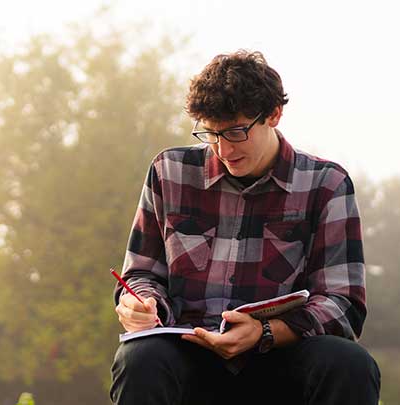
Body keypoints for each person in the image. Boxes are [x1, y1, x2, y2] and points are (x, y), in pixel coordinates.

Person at [110, 50, 380, 405]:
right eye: (212, 133)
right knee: (139, 359)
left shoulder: (326, 184)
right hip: (188, 352)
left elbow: (342, 304)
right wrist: (141, 303)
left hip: (280, 356)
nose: (223, 149)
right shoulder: (170, 171)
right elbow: (144, 273)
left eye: (236, 132)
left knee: (350, 363)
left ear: (273, 114)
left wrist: (265, 332)